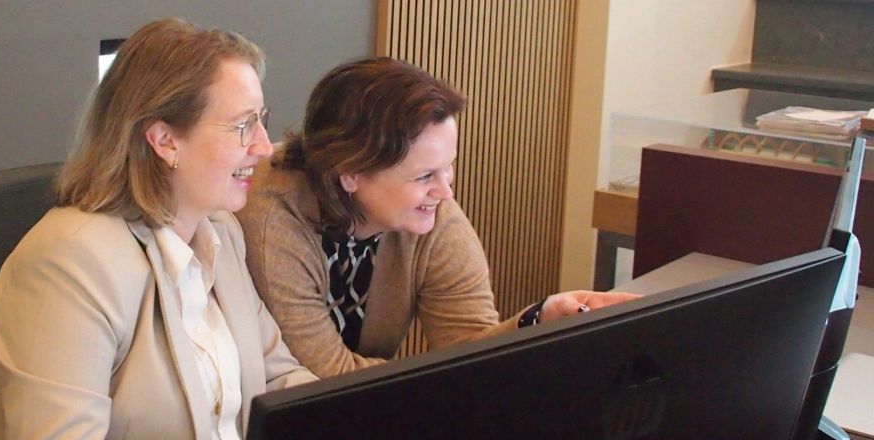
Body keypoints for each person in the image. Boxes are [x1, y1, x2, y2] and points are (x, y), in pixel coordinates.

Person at [0, 18, 317, 440]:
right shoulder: (67, 266)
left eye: (261, 120)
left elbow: (278, 377)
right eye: (242, 126)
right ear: (164, 140)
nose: (264, 147)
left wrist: (357, 436)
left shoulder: (219, 231)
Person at [235, 56, 637, 378]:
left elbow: (469, 346)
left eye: (449, 168)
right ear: (350, 173)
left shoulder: (432, 210)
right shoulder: (273, 216)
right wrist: (446, 383)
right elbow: (326, 378)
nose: (446, 192)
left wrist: (536, 321)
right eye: (425, 175)